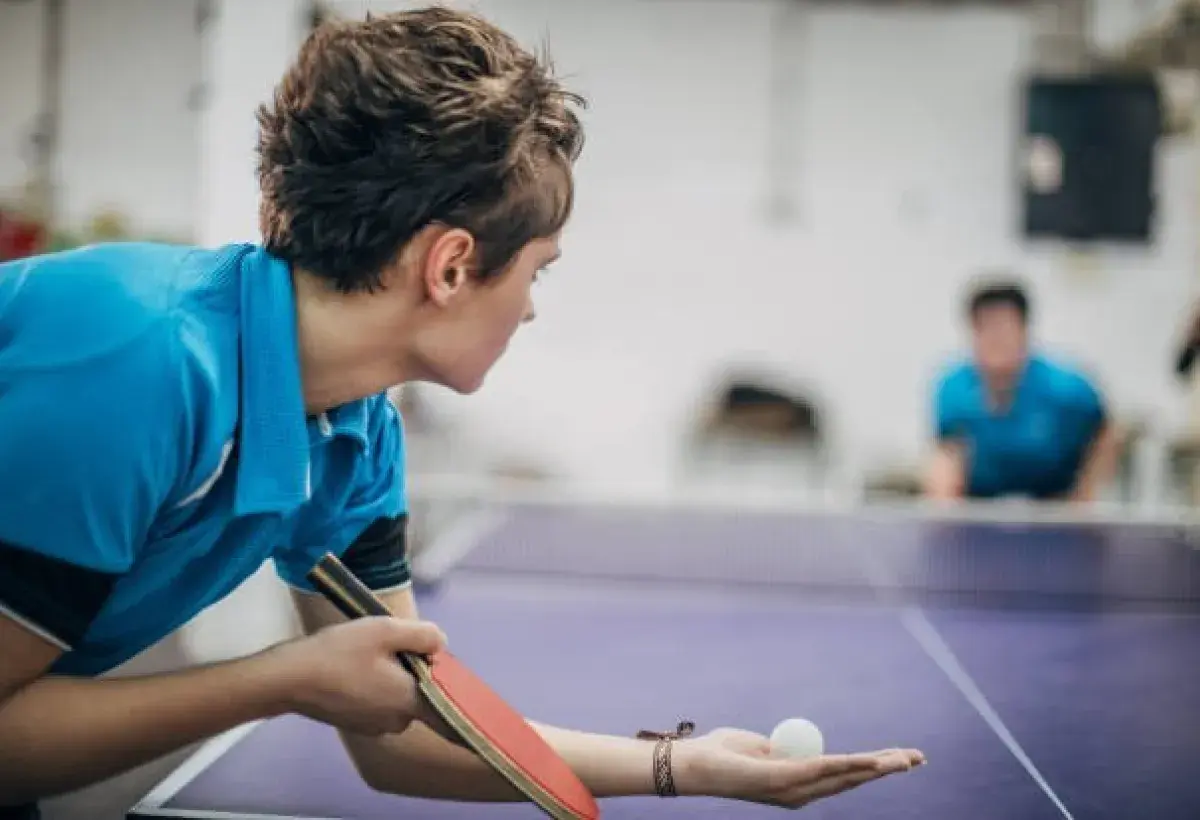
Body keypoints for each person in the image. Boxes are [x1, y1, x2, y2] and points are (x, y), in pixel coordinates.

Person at [0, 8, 923, 819]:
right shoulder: (138, 364)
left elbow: (407, 735)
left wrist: (684, 766)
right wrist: (275, 683)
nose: (530, 305)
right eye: (538, 268)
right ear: (449, 266)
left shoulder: (356, 439)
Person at [924, 278, 1120, 501]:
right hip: (981, 507)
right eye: (984, 328)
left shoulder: (1068, 388)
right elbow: (948, 457)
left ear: (1024, 330)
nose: (995, 338)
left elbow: (1105, 431)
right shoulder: (952, 388)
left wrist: (1085, 496)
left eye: (1004, 327)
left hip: (1053, 508)